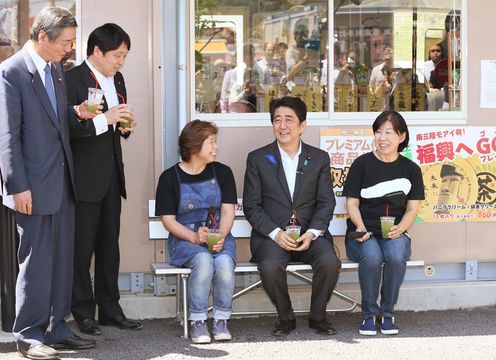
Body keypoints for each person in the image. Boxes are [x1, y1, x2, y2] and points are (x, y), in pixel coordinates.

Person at [0, 6, 97, 359]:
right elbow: (7, 137)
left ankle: (56, 327)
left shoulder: (56, 69)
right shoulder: (11, 72)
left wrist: (77, 113)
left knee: (61, 260)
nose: (69, 49)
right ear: (43, 37)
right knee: (36, 262)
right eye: (66, 42)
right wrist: (16, 187)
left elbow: (54, 121)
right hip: (32, 187)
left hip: (62, 182)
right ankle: (28, 336)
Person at [65, 23, 141, 336]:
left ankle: (110, 308)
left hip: (112, 176)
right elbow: (69, 129)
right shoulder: (71, 79)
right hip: (83, 178)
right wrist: (104, 120)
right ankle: (82, 312)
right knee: (81, 249)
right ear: (97, 51)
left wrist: (125, 126)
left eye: (124, 56)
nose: (120, 62)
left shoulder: (118, 79)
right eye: (117, 55)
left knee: (110, 246)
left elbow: (115, 125)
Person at [243, 96, 341, 337]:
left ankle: (318, 317)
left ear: (302, 125)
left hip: (309, 235)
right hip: (273, 237)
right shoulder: (258, 158)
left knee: (330, 262)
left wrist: (312, 232)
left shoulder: (318, 158)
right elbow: (252, 205)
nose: (283, 126)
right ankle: (285, 317)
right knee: (269, 265)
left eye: (289, 120)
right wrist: (276, 234)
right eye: (277, 120)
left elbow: (326, 202)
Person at [342, 110, 425, 336]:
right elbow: (351, 204)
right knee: (372, 257)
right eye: (378, 132)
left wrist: (402, 228)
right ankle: (369, 315)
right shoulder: (362, 164)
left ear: (401, 136)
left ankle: (387, 313)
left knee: (396, 256)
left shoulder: (411, 170)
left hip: (394, 232)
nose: (382, 138)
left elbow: (412, 208)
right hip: (363, 231)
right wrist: (360, 227)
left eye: (389, 132)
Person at [155, 120, 237, 344]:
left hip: (219, 234)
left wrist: (219, 235)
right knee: (202, 260)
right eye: (211, 142)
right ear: (193, 146)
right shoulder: (169, 178)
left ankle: (222, 319)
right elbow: (168, 220)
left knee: (223, 264)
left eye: (215, 142)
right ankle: (198, 320)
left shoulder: (223, 172)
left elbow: (228, 212)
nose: (215, 147)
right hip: (185, 238)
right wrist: (194, 237)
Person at [220, 43, 263, 113]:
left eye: (251, 54)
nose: (249, 57)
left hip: (256, 114)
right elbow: (225, 98)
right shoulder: (230, 74)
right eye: (246, 54)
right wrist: (225, 115)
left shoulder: (260, 72)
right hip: (236, 114)